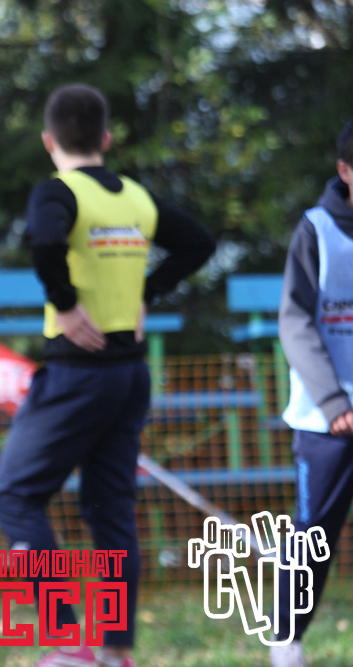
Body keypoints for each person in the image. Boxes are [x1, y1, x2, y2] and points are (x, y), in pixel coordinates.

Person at [0, 83, 215, 667]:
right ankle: (115, 652)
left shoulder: (57, 191)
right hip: (129, 376)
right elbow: (199, 243)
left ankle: (68, 642)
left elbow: (45, 238)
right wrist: (148, 291)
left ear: (49, 141)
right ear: (106, 139)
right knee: (111, 512)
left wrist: (65, 304)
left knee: (14, 497)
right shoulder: (136, 198)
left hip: (77, 374)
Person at [272, 120, 353, 667]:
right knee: (312, 537)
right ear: (345, 171)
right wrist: (333, 401)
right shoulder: (316, 230)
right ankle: (286, 642)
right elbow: (295, 321)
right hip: (326, 419)